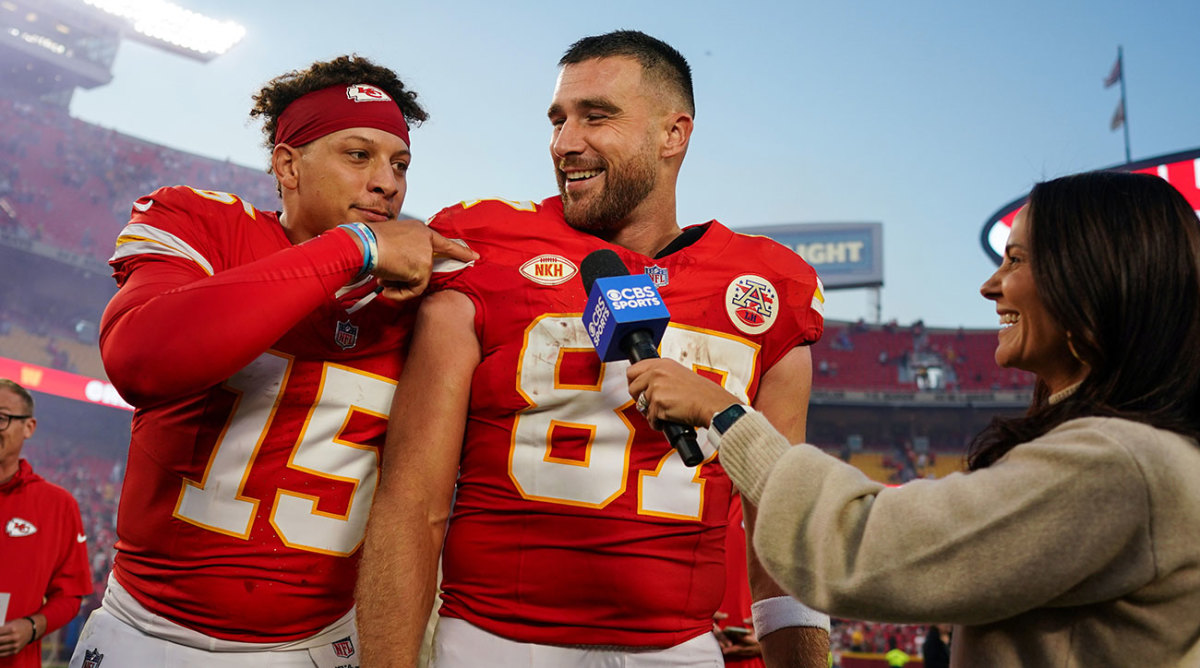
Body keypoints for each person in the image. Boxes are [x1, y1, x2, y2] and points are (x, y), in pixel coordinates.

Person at [357, 30, 829, 667]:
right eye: (557, 119)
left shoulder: (771, 285)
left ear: (673, 134)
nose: (564, 143)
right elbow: (413, 500)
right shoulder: (487, 242)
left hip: (680, 649)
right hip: (495, 642)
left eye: (596, 116)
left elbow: (782, 528)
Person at [625, 170, 1200, 665]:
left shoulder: (1118, 464)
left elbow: (858, 550)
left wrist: (726, 414)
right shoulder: (1135, 452)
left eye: (1017, 260)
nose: (990, 284)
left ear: (1097, 280)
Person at [67, 56, 477, 668]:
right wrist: (352, 251)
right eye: (358, 155)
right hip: (150, 632)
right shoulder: (207, 225)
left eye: (400, 164)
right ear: (288, 164)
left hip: (316, 644)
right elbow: (140, 360)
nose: (387, 182)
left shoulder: (427, 279)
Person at [0, 380, 92, 668]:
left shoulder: (58, 505)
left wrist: (33, 626)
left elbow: (70, 596)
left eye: (1, 418)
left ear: (29, 427)